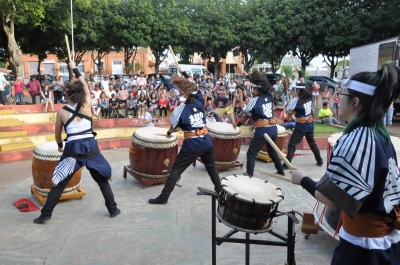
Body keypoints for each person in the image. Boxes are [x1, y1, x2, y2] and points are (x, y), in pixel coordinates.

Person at [290, 63, 400, 265]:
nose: (337, 98)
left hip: (363, 250)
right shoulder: (381, 135)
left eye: (342, 93)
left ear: (355, 102)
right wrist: (320, 180)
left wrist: (303, 180)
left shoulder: (355, 140)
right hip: (387, 244)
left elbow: (331, 200)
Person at [33, 62, 120, 224]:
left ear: (66, 95)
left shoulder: (61, 112)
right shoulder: (87, 104)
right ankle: (113, 210)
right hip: (90, 147)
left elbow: (58, 134)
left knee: (59, 184)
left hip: (72, 149)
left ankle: (45, 215)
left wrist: (60, 146)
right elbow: (85, 85)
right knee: (102, 182)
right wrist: (74, 68)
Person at [149, 72, 221, 204]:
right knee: (211, 167)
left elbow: (174, 126)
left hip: (192, 144)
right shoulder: (200, 102)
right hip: (206, 141)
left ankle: (163, 197)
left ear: (184, 94)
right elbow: (195, 88)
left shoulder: (179, 110)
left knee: (176, 169)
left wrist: (169, 133)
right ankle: (220, 192)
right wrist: (185, 74)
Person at [235, 70, 285, 176]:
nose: (252, 91)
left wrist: (238, 124)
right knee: (272, 153)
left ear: (257, 89)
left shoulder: (255, 100)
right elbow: (263, 83)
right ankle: (280, 171)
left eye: (253, 89)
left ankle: (249, 173)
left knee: (252, 153)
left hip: (262, 130)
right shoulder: (269, 97)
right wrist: (248, 76)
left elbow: (247, 116)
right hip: (272, 128)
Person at [283, 83, 323, 169]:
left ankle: (286, 164)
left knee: (292, 144)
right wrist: (300, 72)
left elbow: (289, 115)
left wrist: (285, 121)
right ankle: (320, 160)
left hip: (301, 126)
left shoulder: (295, 101)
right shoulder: (309, 97)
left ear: (298, 90)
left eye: (295, 90)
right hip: (309, 124)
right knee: (312, 143)